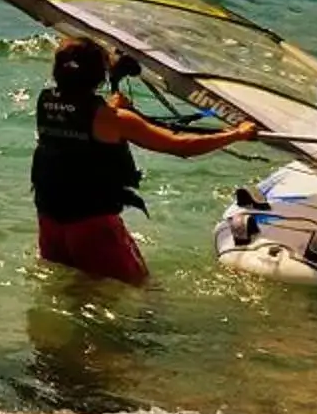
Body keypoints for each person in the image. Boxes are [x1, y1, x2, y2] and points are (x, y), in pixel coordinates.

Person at [31, 36, 257, 284]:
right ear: (98, 74)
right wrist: (237, 134)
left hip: (50, 223)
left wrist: (113, 107)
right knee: (139, 292)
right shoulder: (114, 120)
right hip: (94, 228)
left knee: (73, 291)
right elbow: (180, 146)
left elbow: (79, 115)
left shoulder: (46, 102)